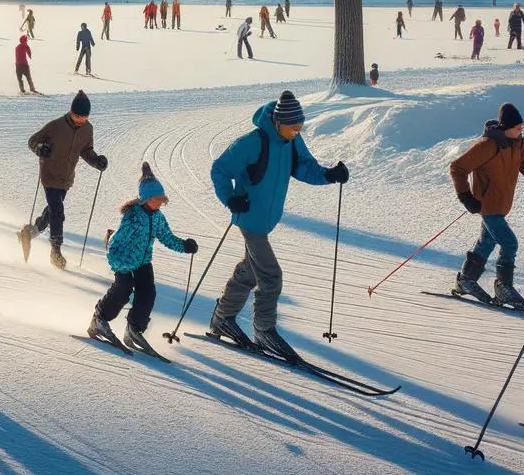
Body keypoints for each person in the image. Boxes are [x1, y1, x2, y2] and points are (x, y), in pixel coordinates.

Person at [208, 91, 348, 361]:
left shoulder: (291, 141)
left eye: (300, 127)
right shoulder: (253, 142)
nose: (297, 132)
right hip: (249, 219)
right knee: (271, 276)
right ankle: (263, 329)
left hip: (266, 219)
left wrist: (329, 175)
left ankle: (223, 318)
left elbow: (305, 167)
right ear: (276, 123)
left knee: (249, 272)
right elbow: (220, 169)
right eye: (292, 127)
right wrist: (230, 198)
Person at [449, 103, 524, 309]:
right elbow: (457, 167)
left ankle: (466, 279)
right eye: (518, 126)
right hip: (486, 206)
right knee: (509, 243)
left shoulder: (519, 144)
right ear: (506, 127)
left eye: (522, 126)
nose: (521, 129)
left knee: (487, 242)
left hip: (501, 205)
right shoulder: (488, 145)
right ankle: (504, 287)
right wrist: (466, 196)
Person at [88, 162, 195, 353]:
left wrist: (185, 246)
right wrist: (118, 265)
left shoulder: (158, 217)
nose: (161, 201)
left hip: (143, 261)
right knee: (123, 288)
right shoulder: (133, 217)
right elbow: (114, 242)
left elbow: (167, 237)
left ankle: (134, 328)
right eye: (158, 198)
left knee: (148, 292)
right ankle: (99, 319)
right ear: (146, 199)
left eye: (162, 198)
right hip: (124, 260)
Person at [20, 90, 108, 269]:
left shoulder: (87, 129)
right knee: (57, 211)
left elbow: (86, 151)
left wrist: (97, 161)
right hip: (50, 174)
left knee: (53, 211)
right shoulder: (56, 126)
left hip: (66, 178)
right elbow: (32, 141)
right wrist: (40, 148)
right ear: (71, 112)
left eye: (84, 117)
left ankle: (30, 232)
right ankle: (56, 251)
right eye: (77, 116)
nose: (80, 120)